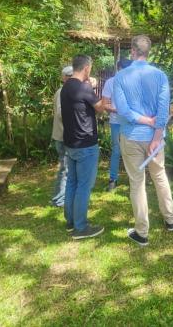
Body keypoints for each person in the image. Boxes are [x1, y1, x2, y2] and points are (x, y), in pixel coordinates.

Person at [112, 35, 173, 246]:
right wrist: (156, 135)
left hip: (131, 136)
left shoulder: (120, 77)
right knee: (160, 175)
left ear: (132, 51)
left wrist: (145, 121)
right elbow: (164, 109)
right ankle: (170, 219)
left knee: (137, 183)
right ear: (148, 52)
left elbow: (123, 110)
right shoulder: (160, 76)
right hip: (155, 138)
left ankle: (142, 232)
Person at [60, 54, 109, 240]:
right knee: (83, 186)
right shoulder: (84, 88)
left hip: (70, 143)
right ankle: (80, 227)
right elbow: (100, 108)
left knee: (72, 182)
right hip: (85, 144)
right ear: (87, 68)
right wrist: (104, 94)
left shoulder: (66, 87)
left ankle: (70, 221)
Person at [101, 58, 131, 192]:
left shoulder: (133, 81)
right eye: (123, 70)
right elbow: (105, 104)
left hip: (131, 122)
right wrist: (119, 110)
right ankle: (113, 179)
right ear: (118, 69)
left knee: (132, 150)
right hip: (116, 122)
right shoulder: (110, 82)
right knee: (116, 150)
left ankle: (133, 178)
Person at [50, 65, 73, 207]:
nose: (71, 78)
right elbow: (61, 114)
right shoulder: (62, 92)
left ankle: (60, 197)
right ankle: (59, 199)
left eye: (72, 76)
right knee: (65, 169)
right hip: (63, 136)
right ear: (64, 78)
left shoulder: (67, 91)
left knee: (66, 168)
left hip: (65, 136)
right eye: (68, 76)